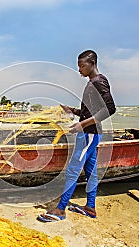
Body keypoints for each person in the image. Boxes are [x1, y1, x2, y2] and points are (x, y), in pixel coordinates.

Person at [38, 50, 116, 222]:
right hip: (91, 133)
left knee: (73, 170)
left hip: (89, 134)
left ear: (92, 63)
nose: (79, 70)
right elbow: (91, 111)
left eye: (82, 66)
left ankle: (60, 209)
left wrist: (82, 125)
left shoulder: (99, 81)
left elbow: (110, 109)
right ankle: (90, 208)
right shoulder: (92, 83)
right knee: (90, 171)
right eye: (78, 66)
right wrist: (73, 111)